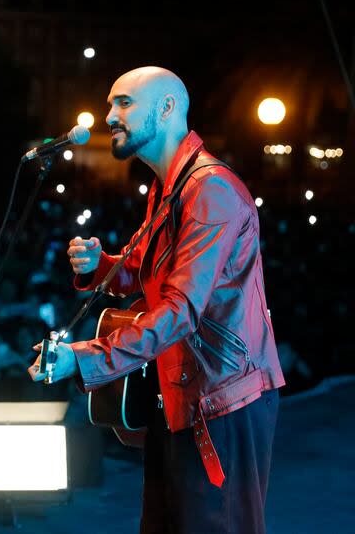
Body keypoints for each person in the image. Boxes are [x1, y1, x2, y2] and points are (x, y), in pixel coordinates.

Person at [28, 66, 285, 534]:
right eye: (111, 103)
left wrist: (85, 359)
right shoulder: (171, 185)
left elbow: (180, 309)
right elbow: (142, 270)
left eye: (124, 102)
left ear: (167, 108)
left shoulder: (211, 190)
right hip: (182, 394)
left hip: (221, 400)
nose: (109, 115)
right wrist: (101, 267)